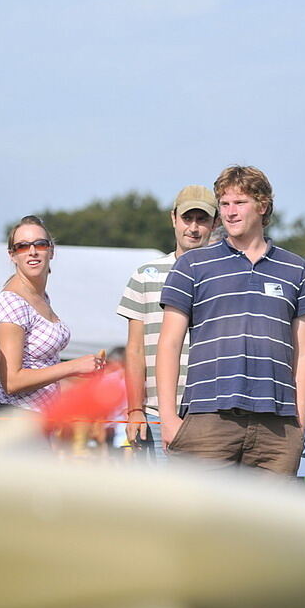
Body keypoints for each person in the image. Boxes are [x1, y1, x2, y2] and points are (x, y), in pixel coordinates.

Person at [156, 165, 305, 475]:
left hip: (278, 427)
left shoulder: (296, 269)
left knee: (268, 524)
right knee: (200, 523)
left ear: (263, 205)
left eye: (240, 202)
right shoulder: (192, 265)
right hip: (207, 419)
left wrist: (299, 423)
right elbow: (169, 343)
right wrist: (168, 419)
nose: (230, 212)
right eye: (225, 203)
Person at [116, 185, 217, 458]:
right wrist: (135, 410)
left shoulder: (227, 275)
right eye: (187, 218)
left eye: (202, 219)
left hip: (212, 415)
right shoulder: (145, 275)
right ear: (173, 218)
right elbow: (135, 349)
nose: (194, 228)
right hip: (155, 414)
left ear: (215, 223)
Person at [0, 215, 105, 416]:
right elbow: (11, 381)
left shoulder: (41, 297)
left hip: (40, 419)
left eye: (40, 244)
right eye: (23, 246)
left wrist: (81, 375)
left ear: (51, 250)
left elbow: (42, 367)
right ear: (12, 255)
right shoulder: (12, 301)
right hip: (13, 420)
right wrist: (72, 366)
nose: (32, 252)